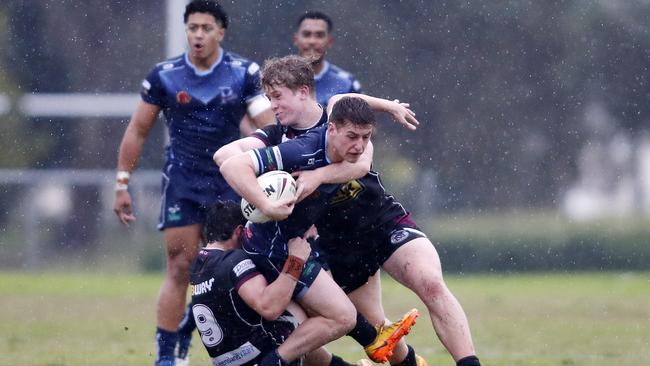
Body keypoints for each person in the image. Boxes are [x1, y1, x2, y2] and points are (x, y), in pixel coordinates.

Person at [218, 56, 482, 366]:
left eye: (277, 96)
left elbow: (360, 162)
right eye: (269, 97)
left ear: (303, 92)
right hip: (338, 244)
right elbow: (227, 155)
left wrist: (319, 174)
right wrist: (262, 190)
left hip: (380, 219)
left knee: (431, 284)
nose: (271, 105)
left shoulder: (340, 115)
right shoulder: (277, 138)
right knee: (378, 333)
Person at [112, 1, 274, 365]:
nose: (198, 34)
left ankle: (233, 338)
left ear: (221, 32)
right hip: (183, 183)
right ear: (186, 30)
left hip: (232, 181)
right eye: (193, 28)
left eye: (206, 28)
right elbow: (138, 130)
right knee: (180, 268)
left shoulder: (244, 72)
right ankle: (167, 356)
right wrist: (122, 182)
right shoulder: (164, 75)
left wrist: (275, 162)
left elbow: (267, 126)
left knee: (241, 265)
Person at [219, 91, 418, 366]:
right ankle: (272, 362)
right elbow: (231, 163)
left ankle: (377, 344)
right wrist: (267, 204)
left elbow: (357, 156)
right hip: (274, 250)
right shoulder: (299, 149)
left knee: (333, 319)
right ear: (332, 129)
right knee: (339, 317)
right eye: (352, 137)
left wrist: (391, 106)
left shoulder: (344, 146)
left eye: (366, 137)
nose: (359, 146)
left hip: (297, 244)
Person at [191, 200, 371, 366]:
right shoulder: (233, 260)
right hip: (258, 359)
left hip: (231, 360)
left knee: (298, 330)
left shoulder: (199, 267)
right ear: (239, 231)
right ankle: (274, 361)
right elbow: (269, 307)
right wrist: (295, 260)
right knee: (336, 318)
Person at [294, 11, 362, 107]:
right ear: (296, 39)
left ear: (330, 41)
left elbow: (360, 120)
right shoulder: (273, 80)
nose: (312, 41)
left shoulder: (347, 83)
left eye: (319, 35)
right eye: (307, 34)